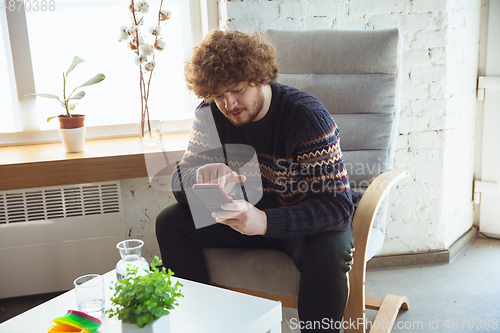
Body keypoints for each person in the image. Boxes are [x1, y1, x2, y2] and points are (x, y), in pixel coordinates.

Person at [156, 30, 361, 333]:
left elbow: (337, 207)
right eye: (217, 95)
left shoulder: (305, 117)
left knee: (328, 251)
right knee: (171, 222)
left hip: (303, 222)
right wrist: (198, 176)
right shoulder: (210, 115)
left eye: (237, 90)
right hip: (243, 216)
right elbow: (179, 180)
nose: (228, 104)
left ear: (260, 77)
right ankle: (200, 324)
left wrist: (265, 221)